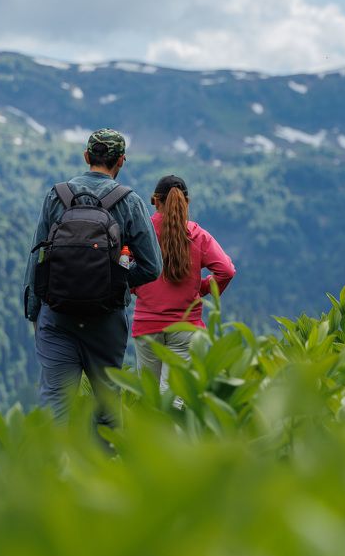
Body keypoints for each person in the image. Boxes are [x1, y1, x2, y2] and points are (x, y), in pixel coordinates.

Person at [23, 128, 161, 420]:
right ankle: (104, 463)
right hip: (106, 320)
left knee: (56, 404)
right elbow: (152, 266)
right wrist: (116, 283)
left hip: (57, 316)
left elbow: (37, 259)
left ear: (86, 156)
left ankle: (52, 465)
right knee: (107, 407)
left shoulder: (56, 196)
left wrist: (35, 313)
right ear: (121, 161)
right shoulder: (130, 201)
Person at [132, 174, 235, 389]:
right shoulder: (197, 235)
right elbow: (225, 270)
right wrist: (203, 288)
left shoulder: (142, 233)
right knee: (176, 398)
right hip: (185, 327)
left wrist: (136, 287)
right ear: (186, 202)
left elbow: (123, 267)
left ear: (155, 201)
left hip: (147, 326)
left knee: (150, 399)